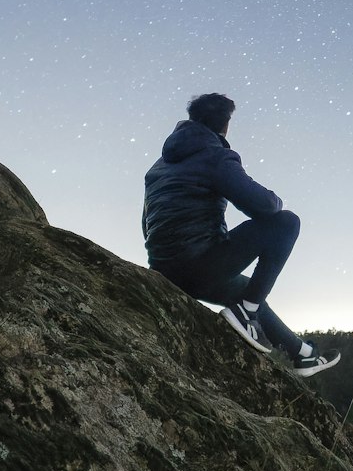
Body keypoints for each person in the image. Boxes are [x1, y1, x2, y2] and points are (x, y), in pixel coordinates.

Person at [142, 93, 340, 377]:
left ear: (191, 119)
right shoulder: (215, 156)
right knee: (285, 222)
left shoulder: (157, 168)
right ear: (225, 125)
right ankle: (246, 313)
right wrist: (276, 200)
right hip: (199, 267)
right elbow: (263, 206)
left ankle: (302, 355)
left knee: (250, 289)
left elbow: (147, 222)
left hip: (165, 269)